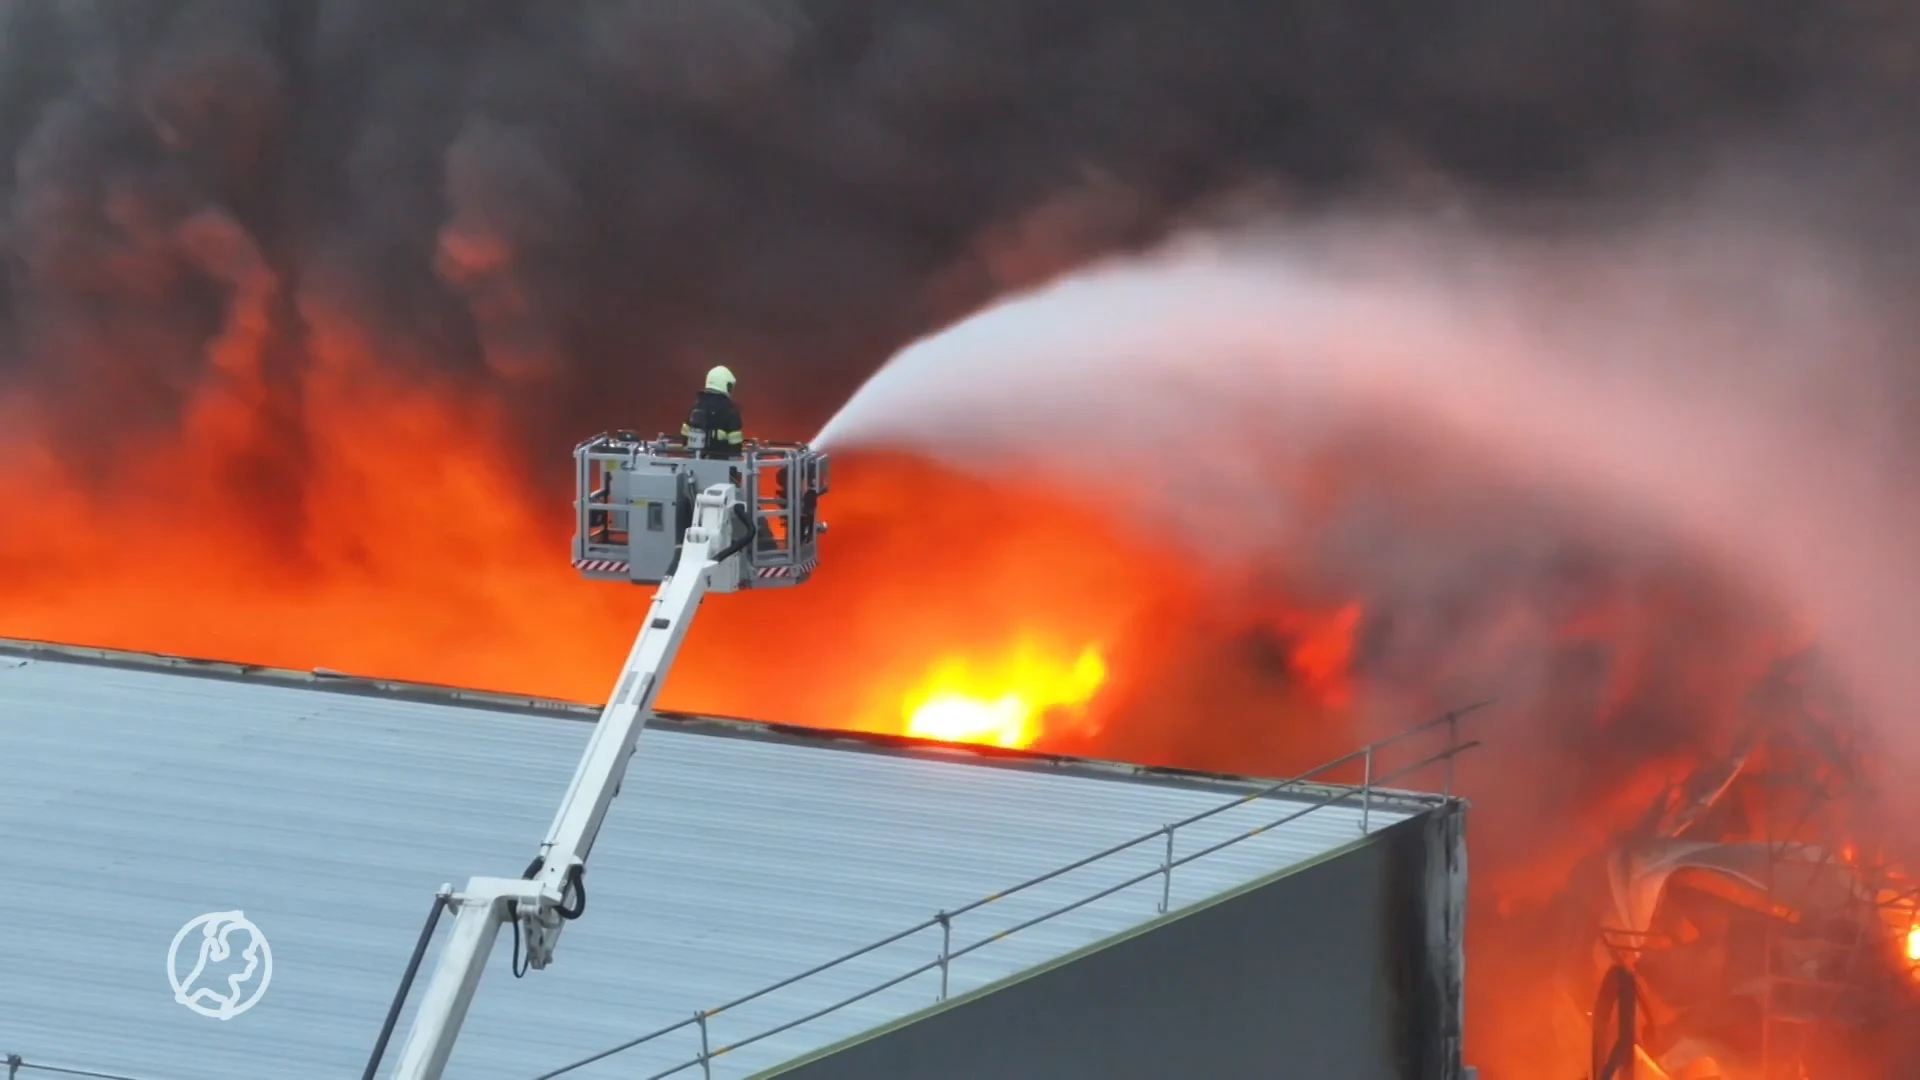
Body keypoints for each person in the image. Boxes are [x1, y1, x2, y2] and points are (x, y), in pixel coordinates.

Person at [681, 365, 743, 458]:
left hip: (694, 464)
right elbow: (736, 445)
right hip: (721, 466)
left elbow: (685, 436)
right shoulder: (730, 410)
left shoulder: (697, 405)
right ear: (725, 385)